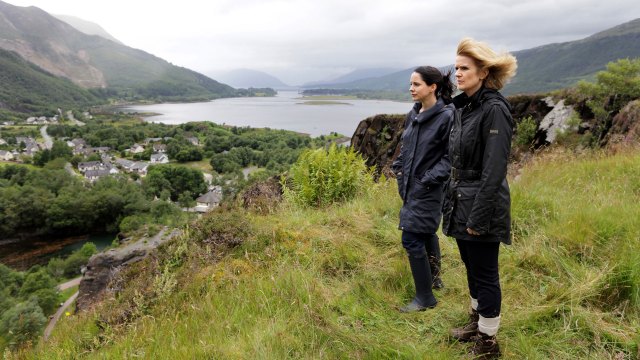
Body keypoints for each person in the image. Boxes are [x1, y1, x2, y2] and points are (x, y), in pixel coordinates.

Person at [442, 38, 517, 358]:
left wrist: (479, 216)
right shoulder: (465, 107)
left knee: (485, 272)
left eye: (464, 68)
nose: (457, 74)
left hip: (481, 203)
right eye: (456, 68)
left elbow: (494, 169)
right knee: (470, 265)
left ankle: (488, 342)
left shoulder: (495, 110)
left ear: (483, 72)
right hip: (461, 199)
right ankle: (477, 320)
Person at [392, 66, 455, 313]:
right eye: (410, 84)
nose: (411, 88)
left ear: (433, 87)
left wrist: (426, 179)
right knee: (427, 232)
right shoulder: (414, 113)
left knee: (411, 237)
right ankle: (435, 279)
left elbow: (451, 158)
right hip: (409, 186)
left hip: (429, 188)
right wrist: (398, 168)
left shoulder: (447, 117)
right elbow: (406, 146)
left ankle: (425, 298)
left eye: (416, 84)